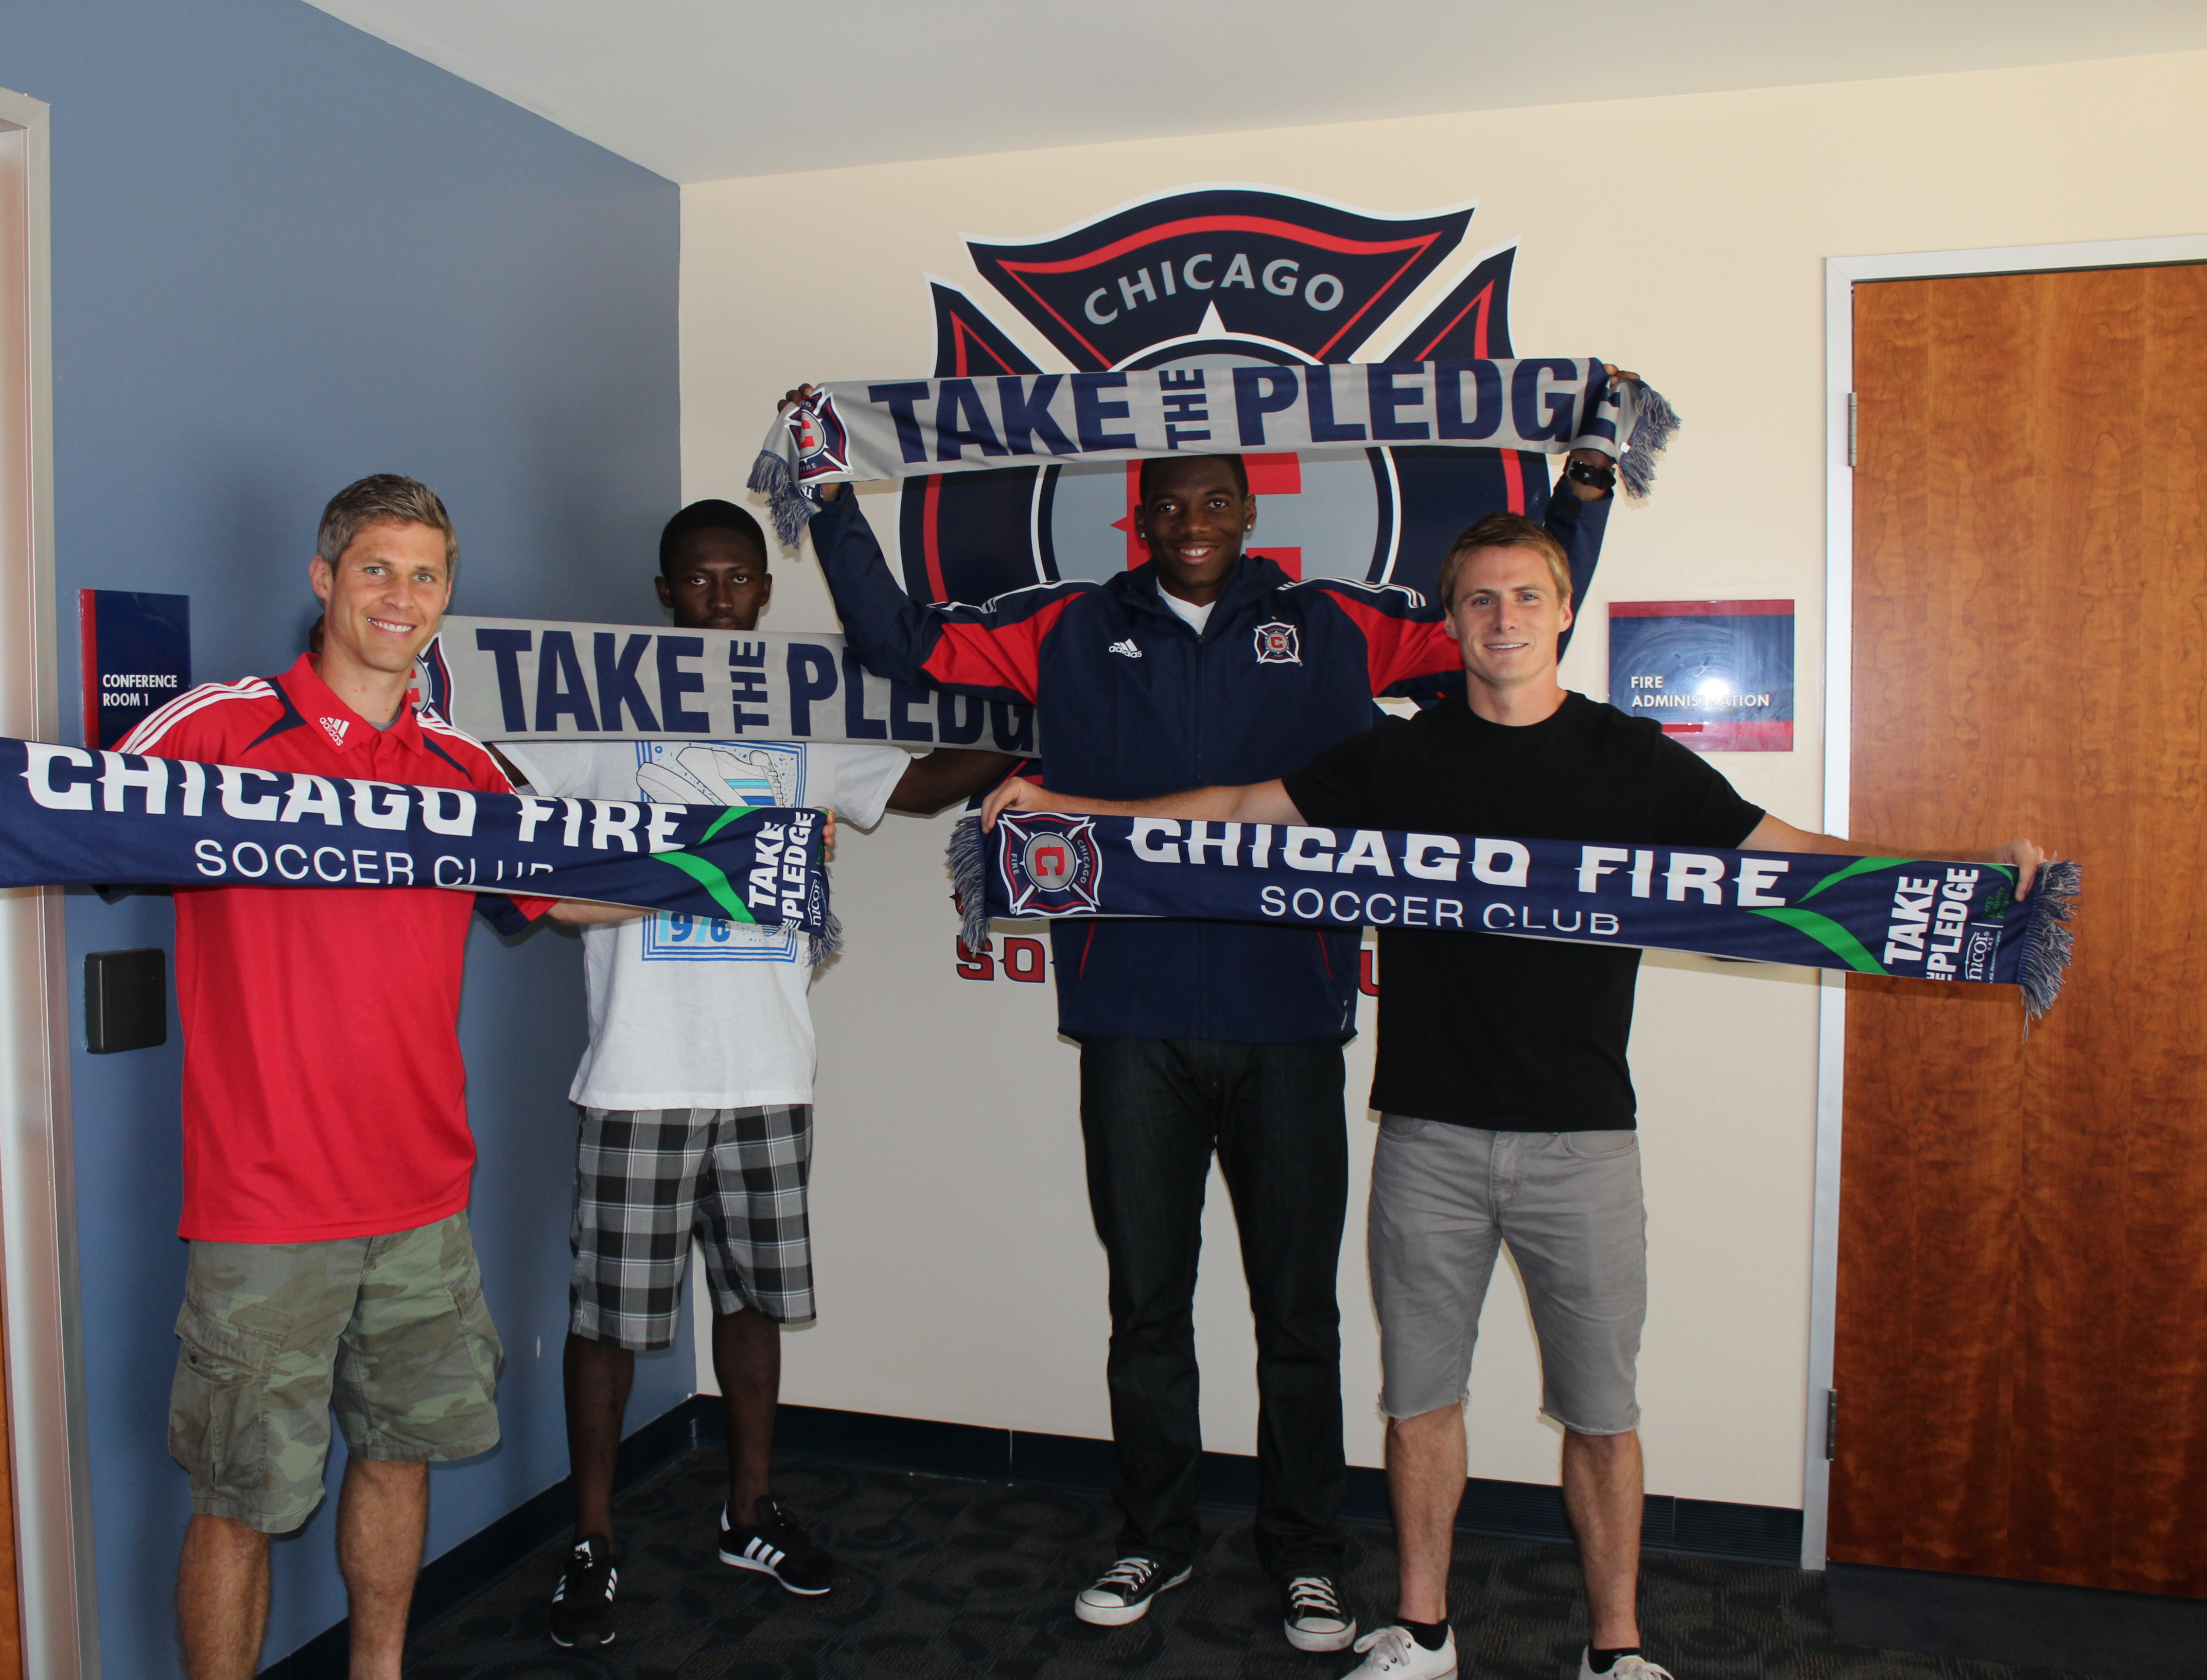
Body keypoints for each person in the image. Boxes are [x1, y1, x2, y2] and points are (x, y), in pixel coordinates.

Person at [984, 511, 2049, 1680]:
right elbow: (1243, 811)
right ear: (1452, 625)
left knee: (1602, 1415)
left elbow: (1783, 857)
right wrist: (1081, 820)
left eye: (1526, 599)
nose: (1504, 621)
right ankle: (1426, 1630)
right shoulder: (1400, 755)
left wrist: (1971, 889)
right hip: (1428, 1137)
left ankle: (1616, 1650)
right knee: (1420, 1401)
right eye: (1481, 602)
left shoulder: (1627, 758)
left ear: (1563, 613)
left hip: (1584, 1143)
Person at [784, 381, 1619, 1651]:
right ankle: (1152, 1536)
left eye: (1214, 500)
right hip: (1131, 1018)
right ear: (1140, 514)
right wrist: (834, 496)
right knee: (1148, 1300)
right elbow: (902, 643)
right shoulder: (1067, 623)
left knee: (1300, 1312)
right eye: (1170, 503)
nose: (1191, 521)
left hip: (1292, 1018)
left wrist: (1586, 485)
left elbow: (1493, 625)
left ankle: (1307, 1553)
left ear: (1248, 511)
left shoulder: (1331, 620)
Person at [0, 474, 569, 1680]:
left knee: (398, 1455)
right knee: (240, 1498)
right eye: (377, 567)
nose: (401, 595)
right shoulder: (219, 727)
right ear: (323, 580)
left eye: (426, 574)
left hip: (425, 1197)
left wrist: (759, 858)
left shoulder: (465, 766)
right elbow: (62, 804)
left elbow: (568, 887)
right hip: (266, 1207)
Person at [504, 498, 1013, 1650]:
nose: (721, 597)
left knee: (754, 1302)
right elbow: (486, 770)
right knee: (611, 1322)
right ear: (665, 594)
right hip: (636, 1071)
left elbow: (924, 784)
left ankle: (750, 1509)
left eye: (740, 579)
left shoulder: (804, 718)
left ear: (765, 594)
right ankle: (594, 1534)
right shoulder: (595, 715)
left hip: (769, 1066)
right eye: (699, 579)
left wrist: (1053, 725)